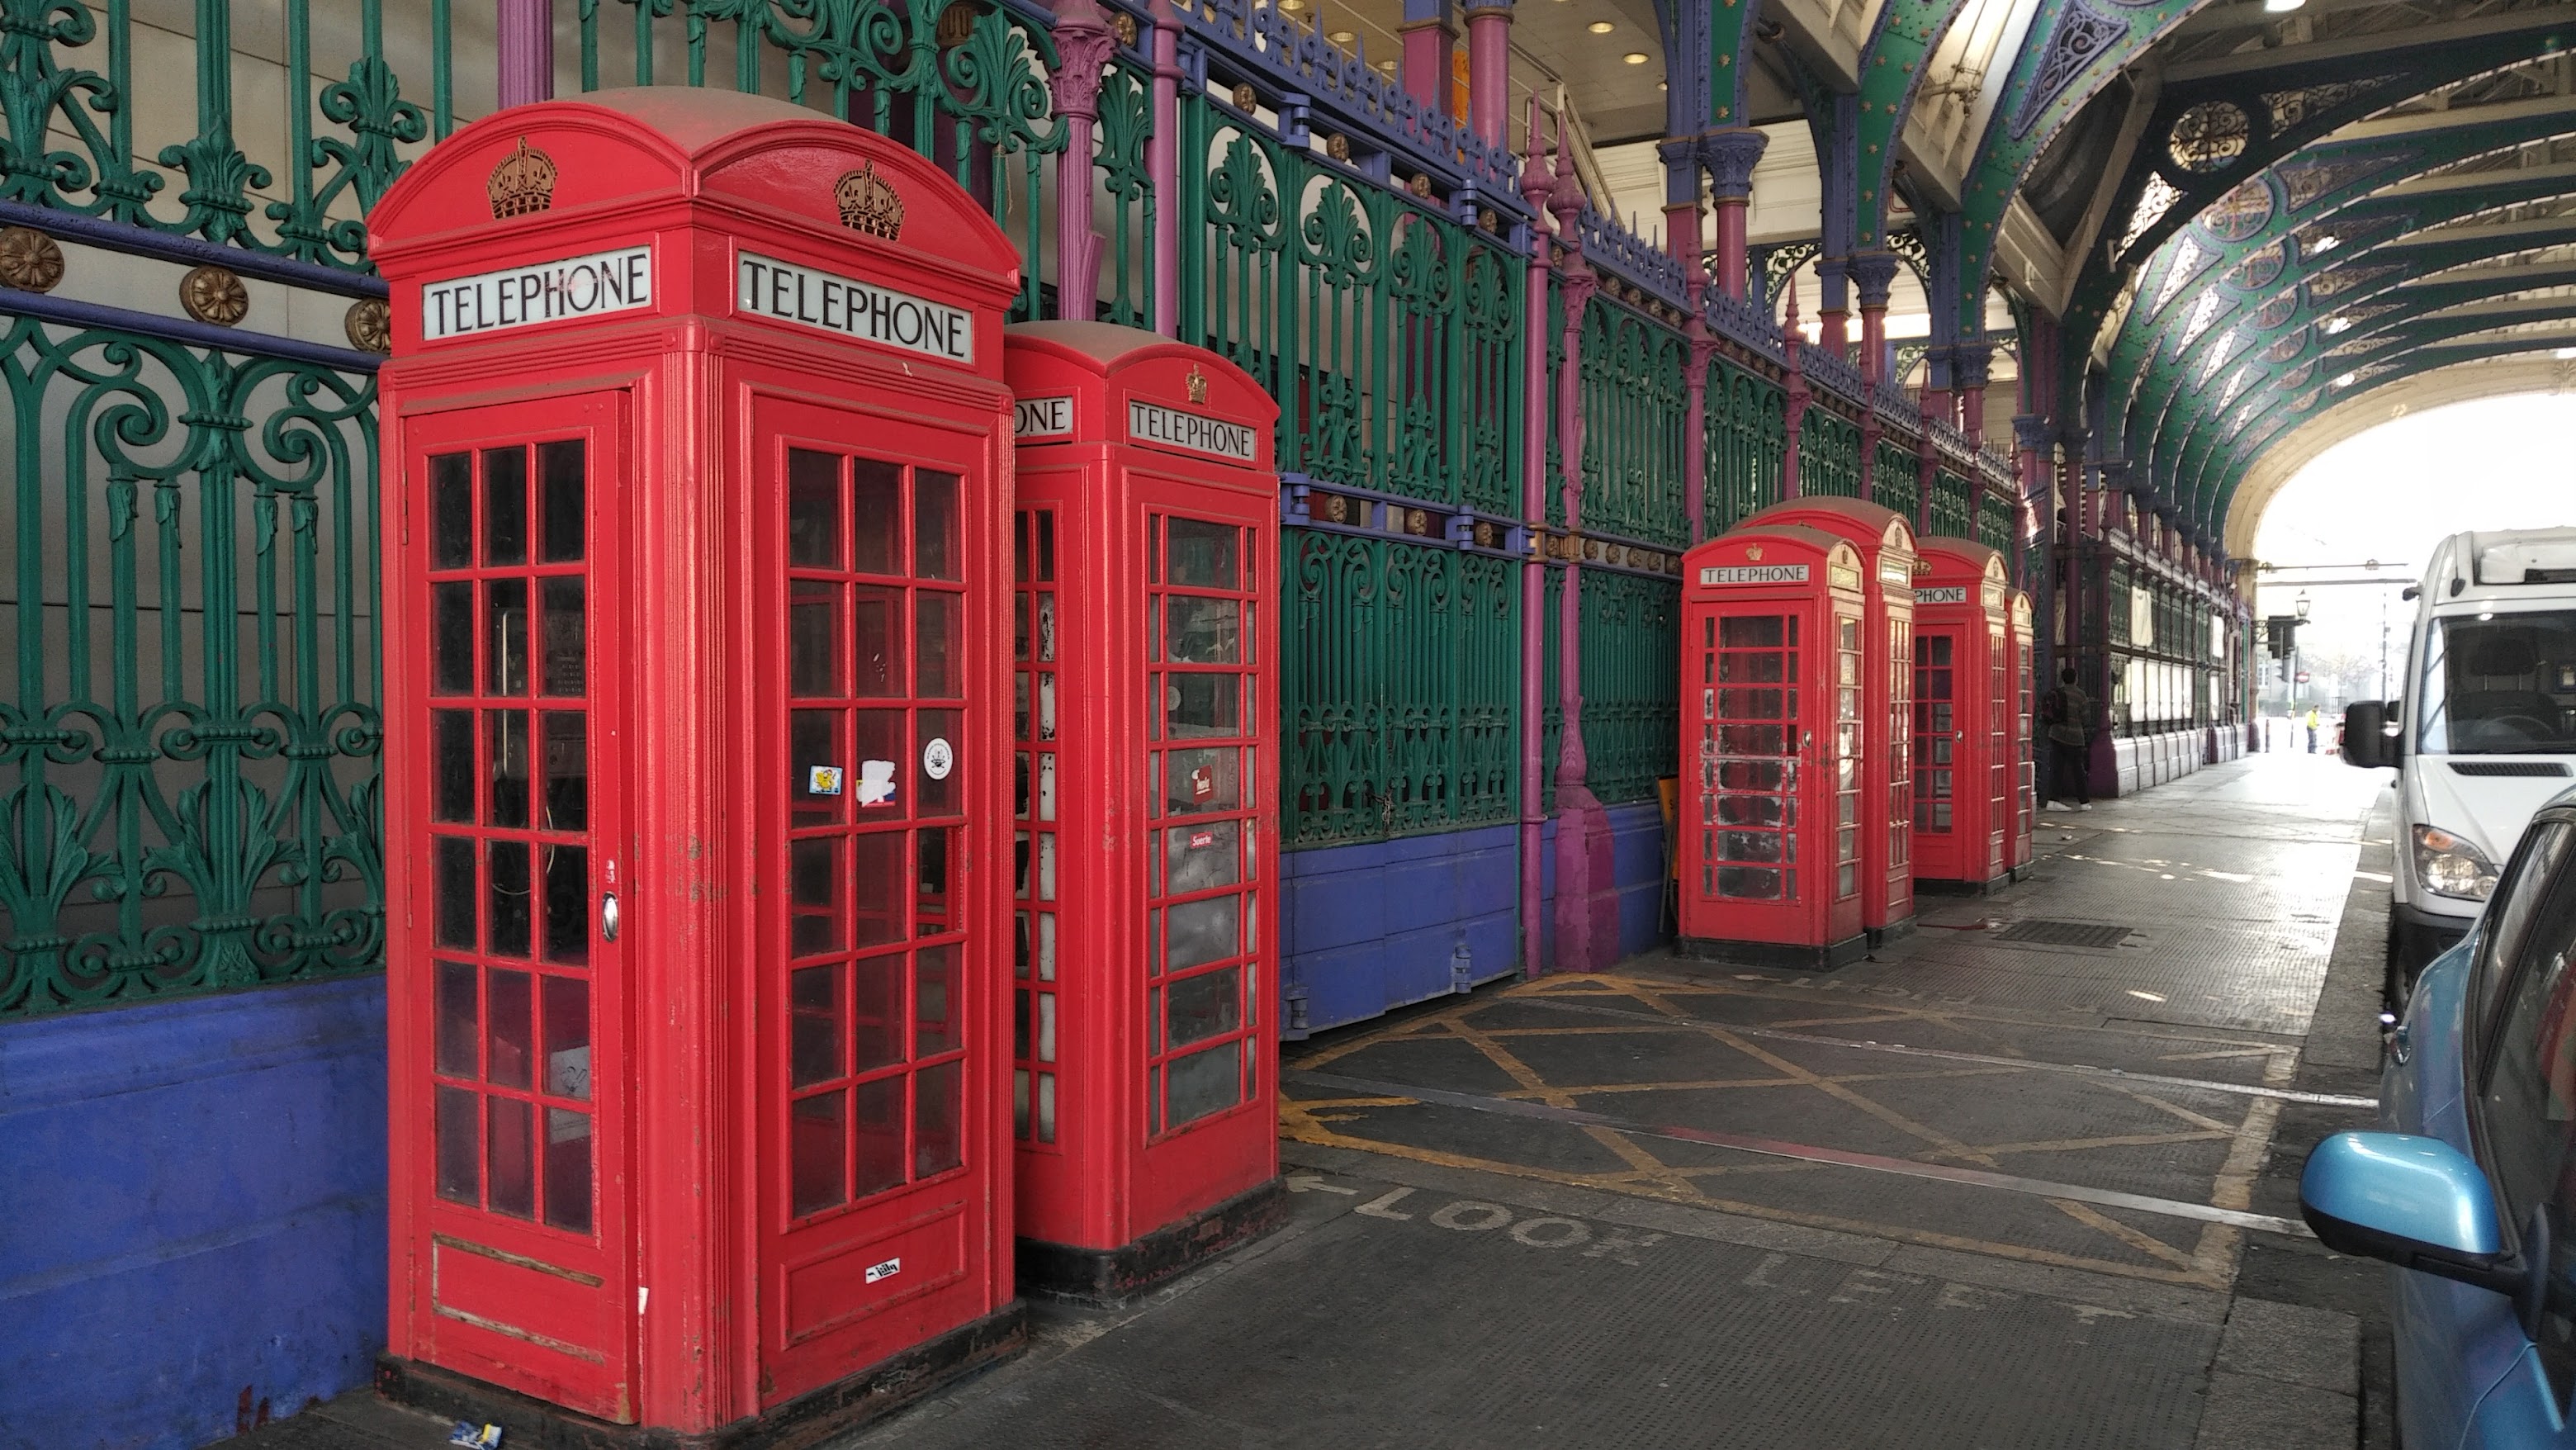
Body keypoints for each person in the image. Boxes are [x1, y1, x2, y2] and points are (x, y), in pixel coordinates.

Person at [2040, 666, 2092, 811]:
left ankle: (2053, 801)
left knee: (2056, 769)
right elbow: (2086, 718)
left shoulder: (2057, 693)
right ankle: (2084, 802)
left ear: (2062, 679)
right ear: (2076, 679)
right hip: (2074, 737)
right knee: (2078, 770)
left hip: (2056, 735)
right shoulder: (2080, 695)